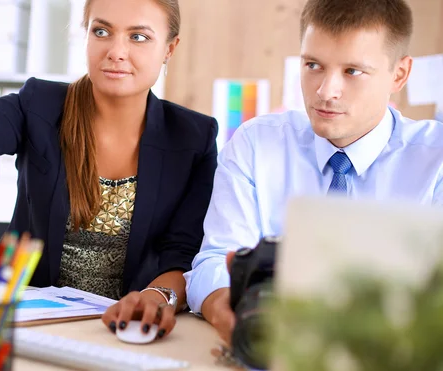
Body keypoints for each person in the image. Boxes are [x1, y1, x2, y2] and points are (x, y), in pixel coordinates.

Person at [0, 0, 217, 339]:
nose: (116, 51)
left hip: (121, 333)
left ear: (169, 48)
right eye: (101, 31)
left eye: (139, 37)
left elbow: (182, 254)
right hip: (21, 326)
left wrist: (156, 297)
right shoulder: (40, 105)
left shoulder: (193, 138)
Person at [184, 0, 443, 343]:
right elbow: (214, 260)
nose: (325, 91)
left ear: (399, 74)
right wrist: (226, 312)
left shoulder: (435, 161)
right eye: (313, 65)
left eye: (352, 71)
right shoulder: (257, 143)